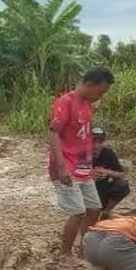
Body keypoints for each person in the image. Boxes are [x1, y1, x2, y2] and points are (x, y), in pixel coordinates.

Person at [48, 68, 114, 257]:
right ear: (89, 84)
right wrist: (61, 167)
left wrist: (89, 167)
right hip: (66, 167)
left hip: (82, 167)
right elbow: (53, 134)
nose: (101, 96)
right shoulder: (66, 102)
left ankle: (87, 249)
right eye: (101, 91)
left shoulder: (87, 105)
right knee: (77, 212)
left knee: (94, 208)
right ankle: (65, 254)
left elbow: (82, 137)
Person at [90, 127, 130, 217]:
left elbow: (121, 174)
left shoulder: (108, 153)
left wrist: (107, 172)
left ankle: (106, 211)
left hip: (101, 188)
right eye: (93, 141)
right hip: (84, 187)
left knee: (122, 184)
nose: (96, 145)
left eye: (100, 142)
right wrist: (89, 174)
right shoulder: (80, 152)